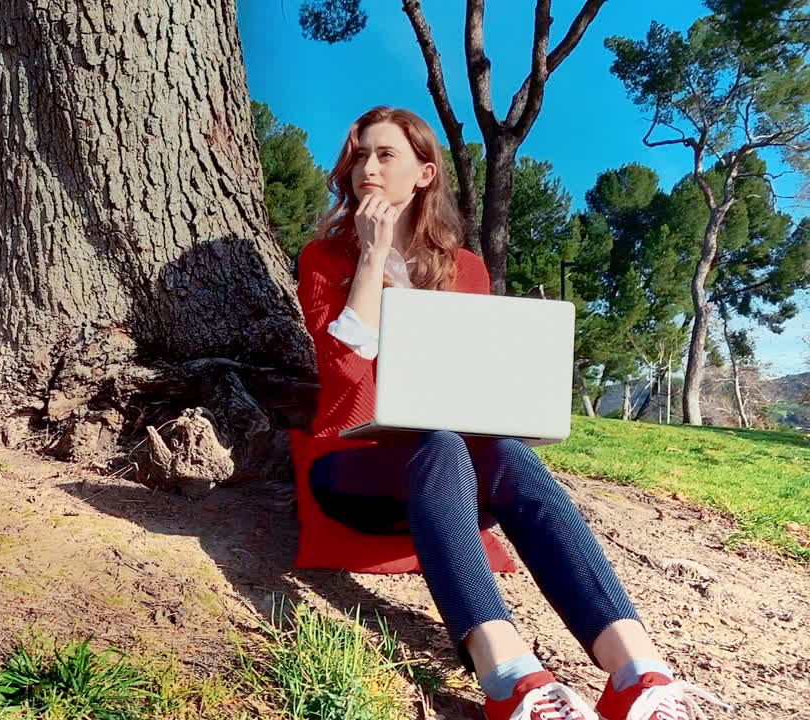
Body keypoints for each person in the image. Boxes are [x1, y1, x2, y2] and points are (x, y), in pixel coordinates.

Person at [292, 106, 726, 720]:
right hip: (349, 465)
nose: (367, 166)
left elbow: (473, 387)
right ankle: (511, 678)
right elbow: (342, 376)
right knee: (439, 442)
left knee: (503, 449)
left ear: (423, 172)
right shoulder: (324, 258)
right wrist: (370, 256)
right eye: (359, 154)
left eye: (385, 154)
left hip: (451, 470)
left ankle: (638, 672)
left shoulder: (464, 268)